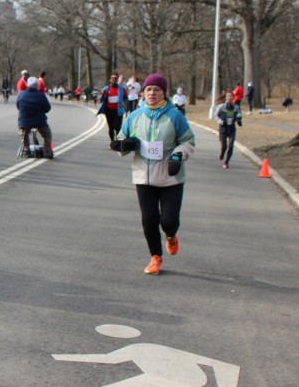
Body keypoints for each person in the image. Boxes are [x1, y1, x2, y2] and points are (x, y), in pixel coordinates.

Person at [110, 73, 195, 275]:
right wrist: (124, 145)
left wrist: (178, 155)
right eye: (148, 89)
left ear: (164, 93)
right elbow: (123, 138)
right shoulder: (135, 116)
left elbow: (188, 141)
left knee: (168, 221)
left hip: (170, 177)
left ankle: (171, 236)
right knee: (149, 220)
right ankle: (155, 257)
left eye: (157, 89)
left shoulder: (175, 116)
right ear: (143, 92)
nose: (152, 93)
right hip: (143, 177)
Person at [16, 76, 54, 159]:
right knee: (47, 134)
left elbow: (18, 106)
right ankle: (47, 152)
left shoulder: (21, 94)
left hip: (24, 122)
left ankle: (26, 150)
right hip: (39, 121)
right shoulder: (41, 95)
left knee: (24, 134)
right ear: (37, 85)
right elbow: (47, 108)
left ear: (27, 85)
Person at [214, 91, 242, 169]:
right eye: (228, 96)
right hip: (223, 128)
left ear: (233, 97)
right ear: (226, 98)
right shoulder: (221, 106)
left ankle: (226, 162)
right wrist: (220, 121)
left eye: (231, 96)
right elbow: (216, 116)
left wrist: (239, 120)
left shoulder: (236, 107)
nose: (229, 97)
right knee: (224, 146)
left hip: (231, 128)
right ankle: (222, 153)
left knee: (230, 146)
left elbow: (239, 115)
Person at [96, 73, 126, 141]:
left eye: (115, 78)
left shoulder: (121, 89)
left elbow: (126, 98)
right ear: (110, 79)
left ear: (117, 79)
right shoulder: (106, 89)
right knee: (111, 128)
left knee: (117, 127)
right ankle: (112, 141)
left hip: (118, 111)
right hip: (109, 110)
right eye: (112, 78)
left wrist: (124, 102)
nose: (114, 79)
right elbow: (101, 100)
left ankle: (117, 141)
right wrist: (102, 94)